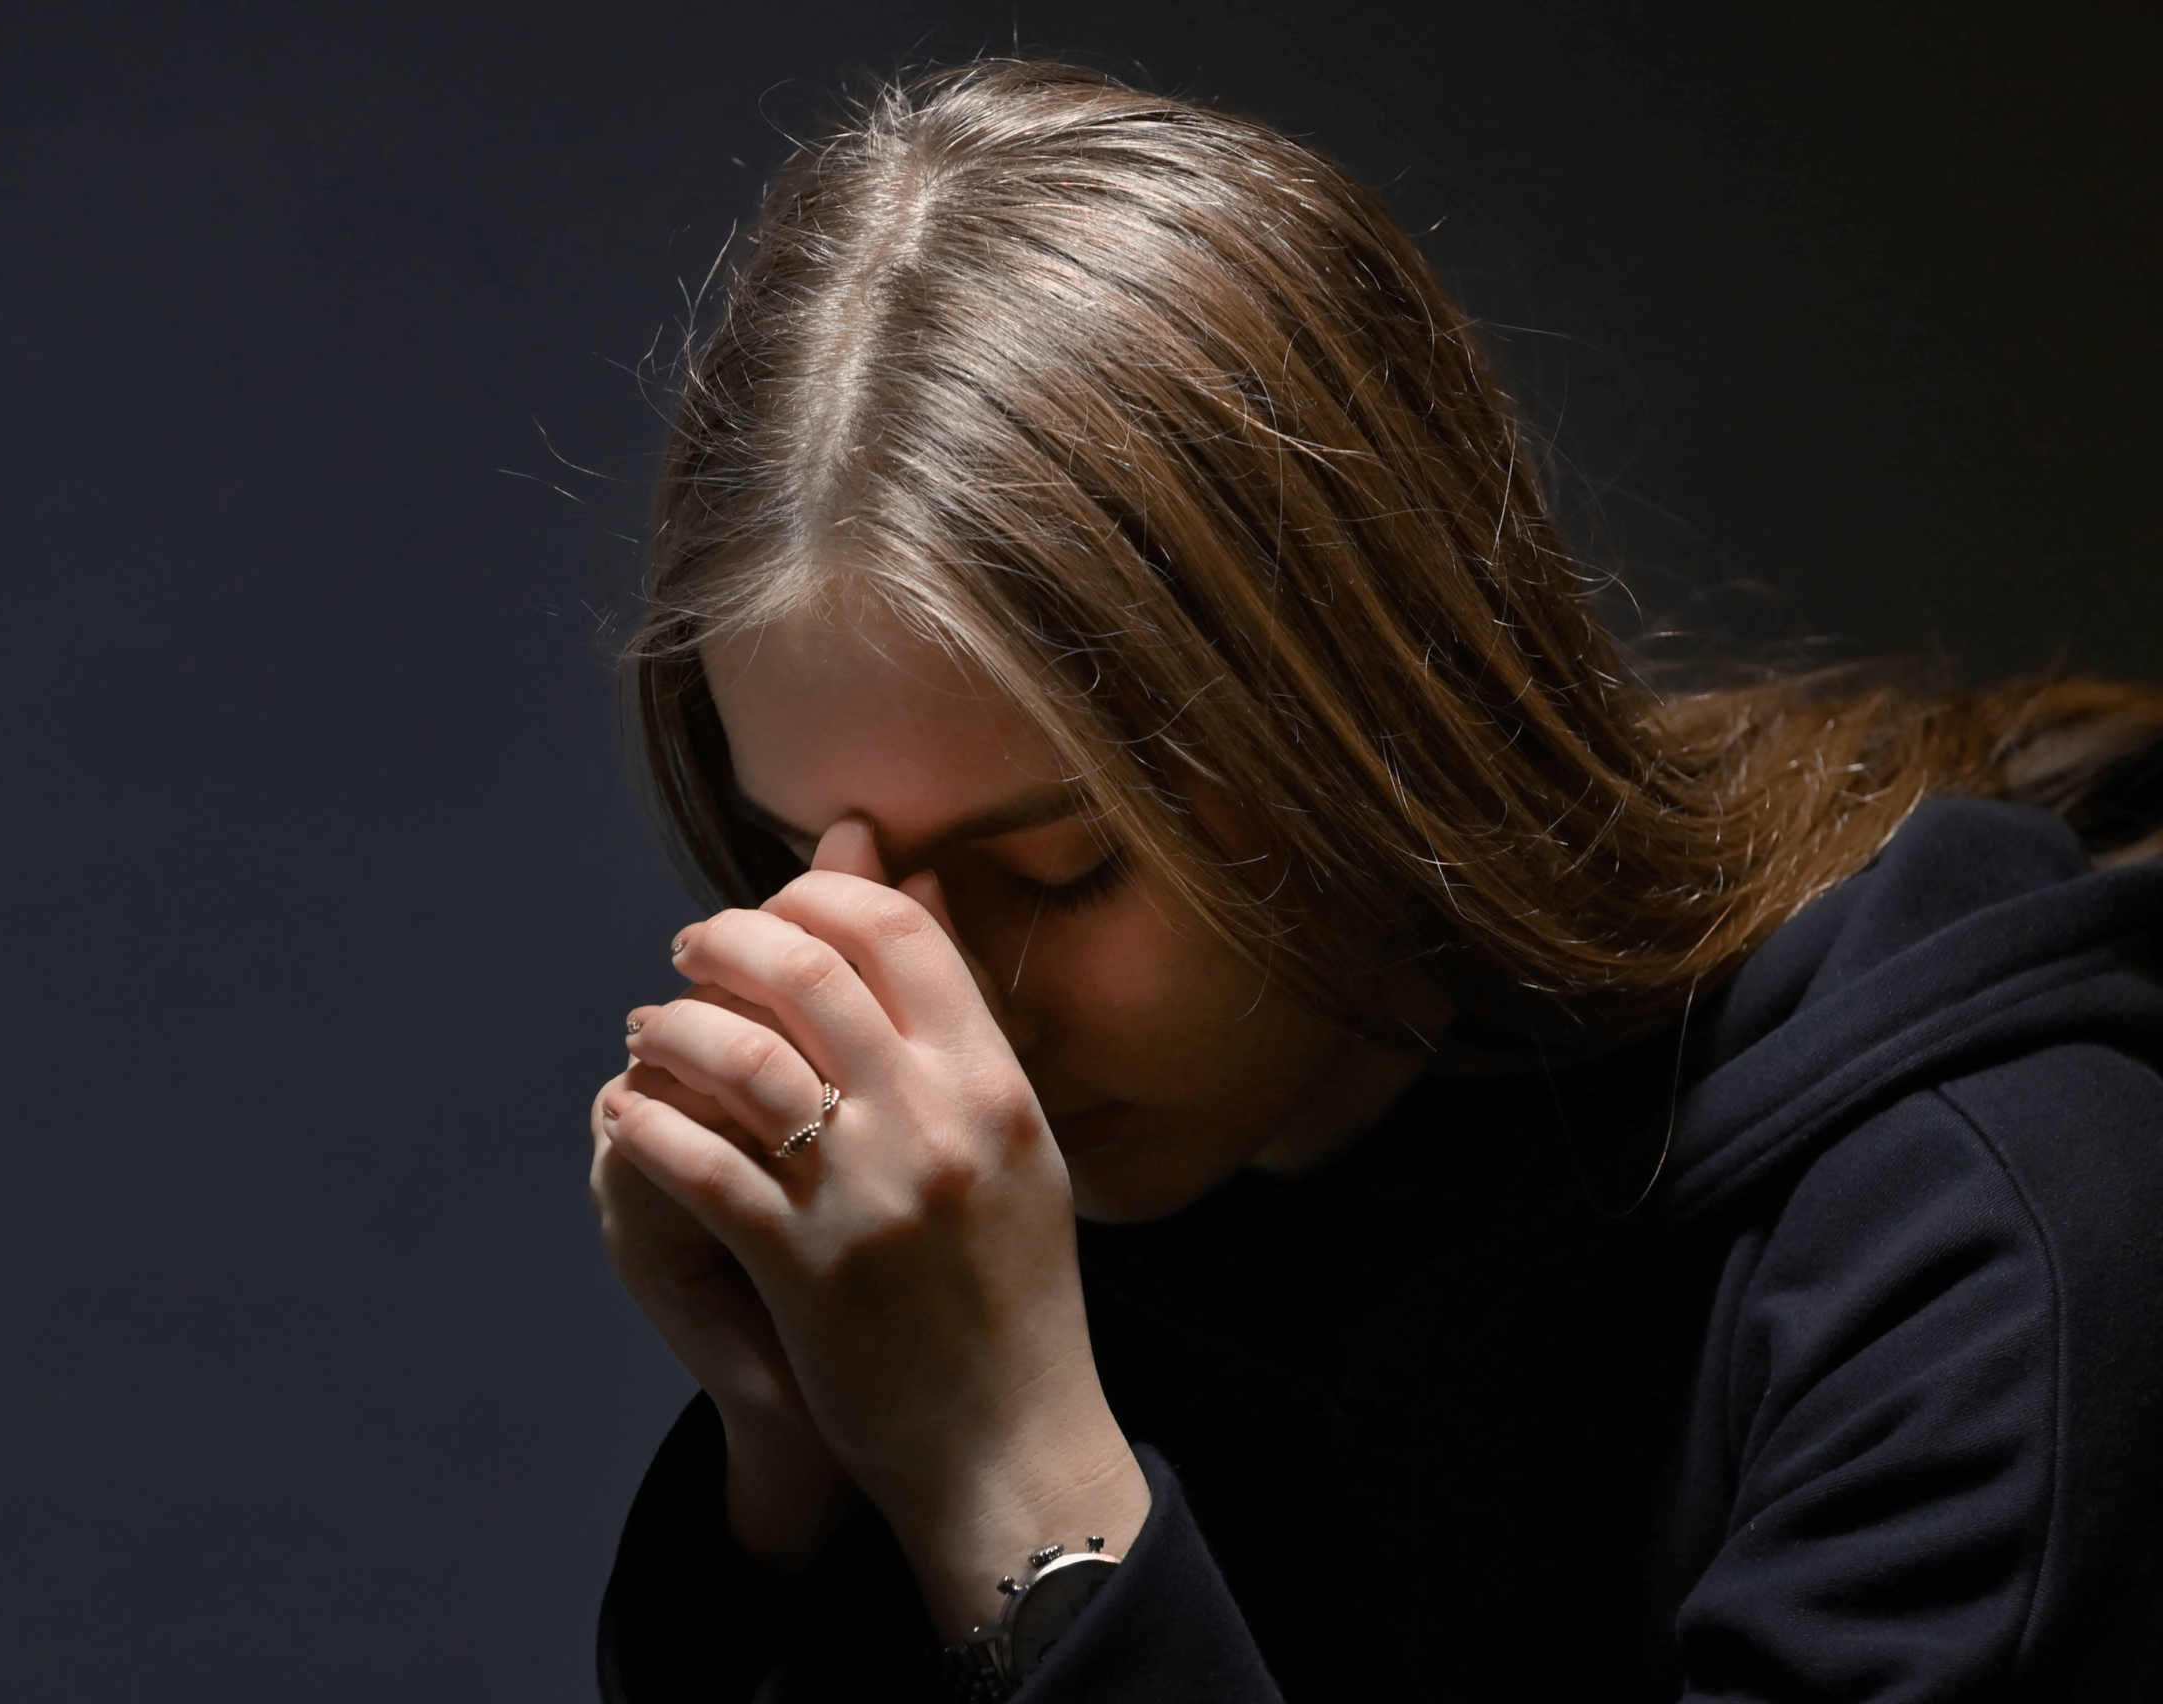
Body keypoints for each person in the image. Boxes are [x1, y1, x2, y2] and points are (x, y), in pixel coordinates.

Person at [583, 59, 2163, 1702]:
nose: (930, 1017)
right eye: (805, 863)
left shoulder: (1984, 1249)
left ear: (1363, 726)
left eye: (1061, 869)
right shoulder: (990, 1254)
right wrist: (802, 1460)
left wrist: (1017, 1485)